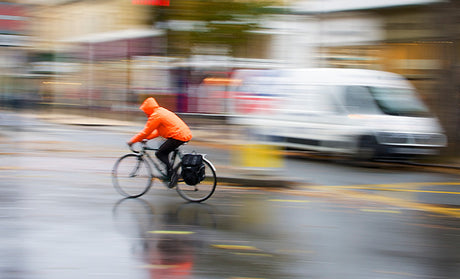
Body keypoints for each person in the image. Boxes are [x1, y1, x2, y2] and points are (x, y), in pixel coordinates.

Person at [127, 97, 192, 179]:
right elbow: (158, 132)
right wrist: (147, 138)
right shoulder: (161, 111)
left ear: (148, 109)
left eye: (145, 111)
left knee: (160, 153)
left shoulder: (156, 115)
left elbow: (146, 132)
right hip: (183, 134)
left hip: (178, 136)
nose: (145, 113)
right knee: (164, 151)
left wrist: (132, 141)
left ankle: (172, 175)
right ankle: (170, 174)